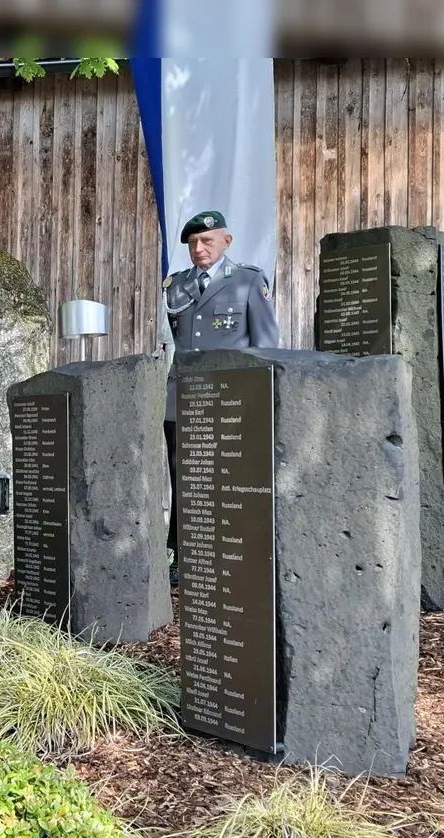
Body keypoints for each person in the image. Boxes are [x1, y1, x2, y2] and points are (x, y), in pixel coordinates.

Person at [158, 210, 279, 582]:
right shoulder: (176, 286)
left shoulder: (246, 282)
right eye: (193, 242)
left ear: (226, 241)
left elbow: (265, 345)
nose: (199, 248)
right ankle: (184, 555)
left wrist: (259, 398)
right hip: (184, 401)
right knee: (186, 478)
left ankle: (237, 553)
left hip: (231, 400)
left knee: (232, 479)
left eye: (207, 241)